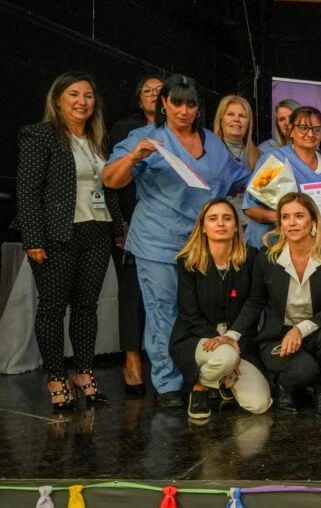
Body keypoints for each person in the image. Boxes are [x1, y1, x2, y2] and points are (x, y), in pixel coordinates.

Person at [104, 74, 251, 407]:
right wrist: (133, 157)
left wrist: (274, 177)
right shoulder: (146, 138)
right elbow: (111, 180)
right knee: (163, 313)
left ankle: (198, 378)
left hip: (201, 245)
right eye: (177, 103)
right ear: (164, 103)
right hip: (158, 241)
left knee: (198, 312)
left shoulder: (212, 142)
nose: (184, 111)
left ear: (198, 107)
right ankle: (167, 385)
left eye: (191, 104)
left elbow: (238, 178)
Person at [15, 72, 124, 411]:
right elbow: (27, 191)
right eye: (74, 94)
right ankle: (55, 378)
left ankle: (84, 373)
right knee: (52, 309)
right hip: (57, 234)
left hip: (97, 231)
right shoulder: (40, 135)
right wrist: (33, 239)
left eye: (88, 95)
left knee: (87, 308)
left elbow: (108, 188)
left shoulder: (99, 139)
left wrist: (118, 226)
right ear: (58, 100)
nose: (82, 101)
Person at [232, 192, 321, 418]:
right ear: (280, 223)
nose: (292, 223)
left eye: (299, 216)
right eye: (285, 217)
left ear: (313, 221)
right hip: (276, 336)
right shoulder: (267, 257)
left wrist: (299, 330)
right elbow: (255, 302)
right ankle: (283, 387)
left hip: (315, 331)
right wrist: (232, 335)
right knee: (305, 370)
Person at [169, 198, 271, 420]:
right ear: (203, 228)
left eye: (227, 218)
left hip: (238, 339)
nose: (221, 223)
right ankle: (201, 388)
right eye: (213, 219)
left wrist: (233, 338)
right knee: (225, 358)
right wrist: (222, 342)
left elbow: (255, 302)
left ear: (236, 226)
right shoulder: (188, 261)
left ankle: (219, 380)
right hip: (197, 338)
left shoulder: (251, 257)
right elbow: (189, 313)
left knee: (259, 404)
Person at [108, 75, 163, 396]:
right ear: (139, 98)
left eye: (160, 91)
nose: (154, 95)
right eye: (147, 91)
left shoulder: (181, 132)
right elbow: (112, 179)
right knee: (132, 294)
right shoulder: (125, 130)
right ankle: (132, 362)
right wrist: (119, 224)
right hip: (130, 223)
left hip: (167, 227)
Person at [243, 106, 321, 249]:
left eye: (316, 129)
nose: (310, 134)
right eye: (303, 127)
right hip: (274, 248)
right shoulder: (274, 162)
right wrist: (285, 218)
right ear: (291, 130)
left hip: (319, 251)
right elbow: (250, 207)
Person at [213, 95, 260, 171]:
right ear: (220, 119)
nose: (236, 119)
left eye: (242, 116)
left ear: (248, 122)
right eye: (230, 114)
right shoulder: (206, 154)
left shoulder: (260, 157)